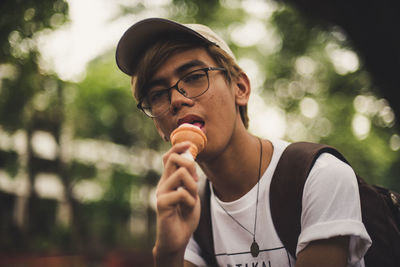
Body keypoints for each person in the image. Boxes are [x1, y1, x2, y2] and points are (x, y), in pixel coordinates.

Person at [115, 18, 371, 267]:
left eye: (193, 76)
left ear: (240, 88)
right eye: (157, 94)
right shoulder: (188, 207)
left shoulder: (319, 176)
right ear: (158, 125)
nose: (176, 100)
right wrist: (168, 252)